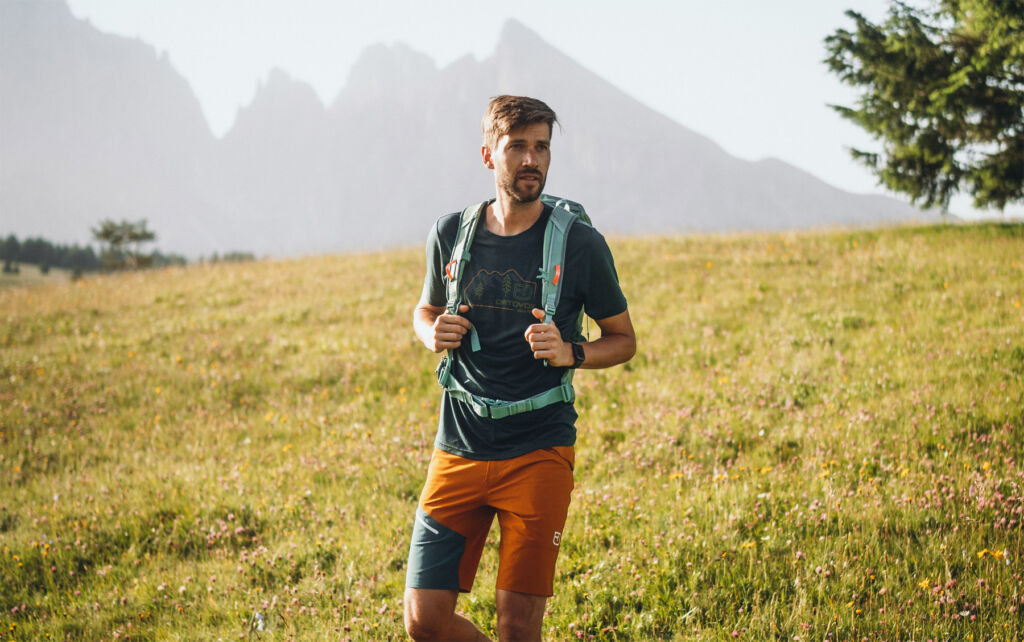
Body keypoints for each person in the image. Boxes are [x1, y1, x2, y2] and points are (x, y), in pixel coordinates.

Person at [404, 95, 636, 642]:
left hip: (538, 451)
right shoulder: (450, 233)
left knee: (517, 625)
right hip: (458, 445)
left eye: (542, 148)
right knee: (423, 621)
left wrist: (573, 351)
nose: (531, 160)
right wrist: (429, 332)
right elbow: (424, 310)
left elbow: (623, 340)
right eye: (518, 147)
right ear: (489, 155)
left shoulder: (579, 244)